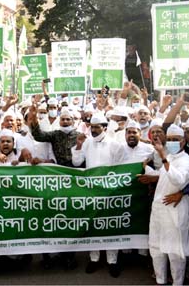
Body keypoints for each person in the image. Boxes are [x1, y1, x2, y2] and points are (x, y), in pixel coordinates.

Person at [71, 114, 124, 277]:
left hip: (110, 192)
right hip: (91, 192)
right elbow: (76, 163)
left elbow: (120, 170)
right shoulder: (87, 143)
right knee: (93, 224)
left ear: (105, 128)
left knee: (109, 225)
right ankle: (94, 259)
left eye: (96, 127)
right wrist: (79, 146)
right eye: (91, 127)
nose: (93, 130)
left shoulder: (116, 146)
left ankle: (112, 261)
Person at [144, 124, 189, 285]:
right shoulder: (170, 157)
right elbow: (162, 175)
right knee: (156, 248)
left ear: (183, 141)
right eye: (170, 139)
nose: (173, 142)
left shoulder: (187, 161)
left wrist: (163, 156)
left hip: (174, 211)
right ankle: (160, 280)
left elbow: (178, 179)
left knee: (175, 252)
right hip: (159, 210)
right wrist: (146, 170)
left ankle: (177, 282)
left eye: (176, 139)